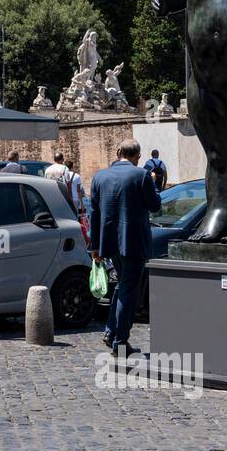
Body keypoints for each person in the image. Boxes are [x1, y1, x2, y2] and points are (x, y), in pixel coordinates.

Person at [89, 138, 161, 356]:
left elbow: (94, 213)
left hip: (109, 243)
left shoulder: (99, 176)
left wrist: (94, 245)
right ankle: (120, 342)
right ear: (137, 157)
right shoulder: (141, 175)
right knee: (129, 291)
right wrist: (155, 183)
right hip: (134, 242)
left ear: (118, 152)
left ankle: (111, 332)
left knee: (122, 285)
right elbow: (155, 205)